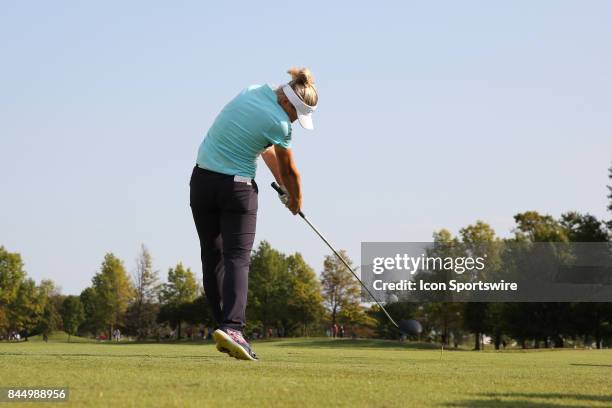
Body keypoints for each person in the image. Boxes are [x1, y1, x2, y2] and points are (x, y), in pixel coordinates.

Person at [190, 67, 318, 361]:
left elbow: (262, 149)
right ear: (288, 104)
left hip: (201, 183)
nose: (295, 122)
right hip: (236, 189)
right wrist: (295, 200)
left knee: (212, 257)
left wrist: (284, 188)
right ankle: (233, 328)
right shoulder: (280, 124)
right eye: (297, 115)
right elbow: (290, 170)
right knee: (237, 258)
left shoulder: (254, 90)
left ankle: (225, 326)